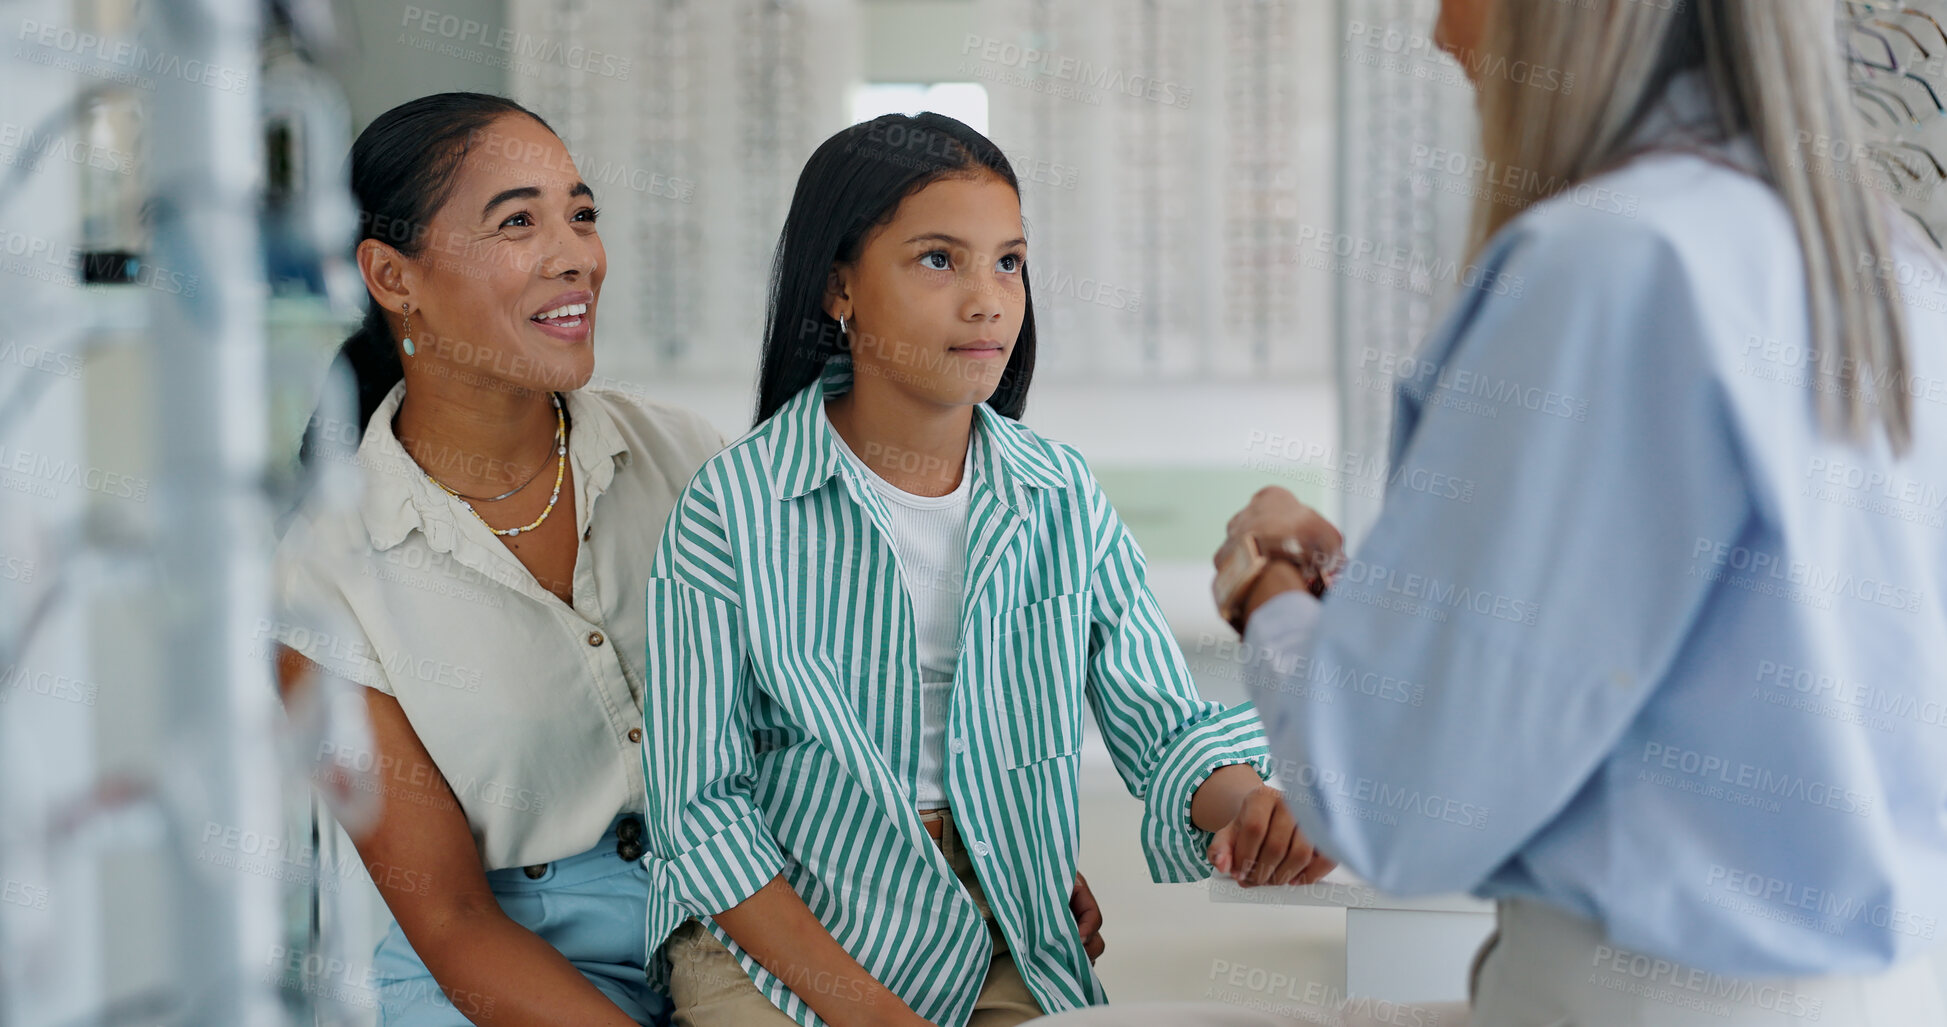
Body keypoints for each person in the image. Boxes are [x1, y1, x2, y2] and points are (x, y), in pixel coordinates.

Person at [1042, 0, 1947, 1024]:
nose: (1439, 35)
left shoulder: (1605, 265)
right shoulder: (1889, 264)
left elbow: (1384, 797)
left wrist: (1271, 584)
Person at [636, 113, 1335, 1027]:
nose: (987, 300)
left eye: (1007, 261)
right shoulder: (731, 507)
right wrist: (878, 1015)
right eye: (938, 259)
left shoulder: (1058, 493)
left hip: (998, 922)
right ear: (837, 287)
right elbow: (699, 813)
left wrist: (1248, 802)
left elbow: (1163, 727)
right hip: (779, 936)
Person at [271, 91, 729, 1026]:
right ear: (393, 277)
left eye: (582, 214)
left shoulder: (688, 463)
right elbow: (449, 918)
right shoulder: (321, 580)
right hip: (503, 971)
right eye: (518, 221)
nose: (577, 257)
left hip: (743, 920)